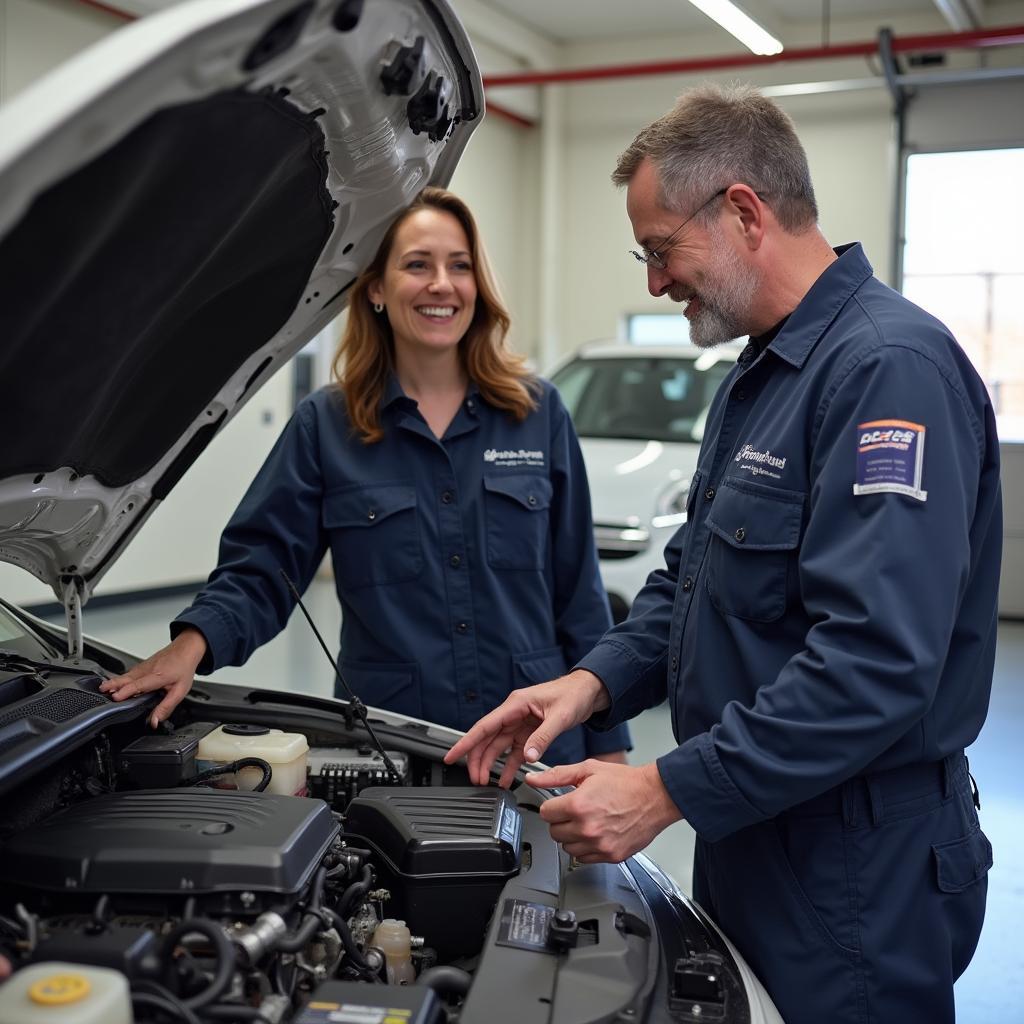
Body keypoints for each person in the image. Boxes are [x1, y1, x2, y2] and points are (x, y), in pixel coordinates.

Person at [445, 85, 999, 1024]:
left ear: (743, 211)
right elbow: (691, 582)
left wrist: (666, 786)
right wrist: (589, 685)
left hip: (857, 863)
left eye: (662, 251)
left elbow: (875, 664)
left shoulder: (884, 370)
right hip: (759, 826)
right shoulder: (760, 376)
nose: (655, 284)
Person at [100, 187, 630, 768]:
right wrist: (191, 647)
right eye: (417, 265)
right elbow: (264, 567)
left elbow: (579, 590)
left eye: (460, 266)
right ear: (376, 287)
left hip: (531, 743)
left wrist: (607, 744)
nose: (441, 285)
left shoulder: (537, 413)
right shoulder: (326, 426)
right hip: (392, 744)